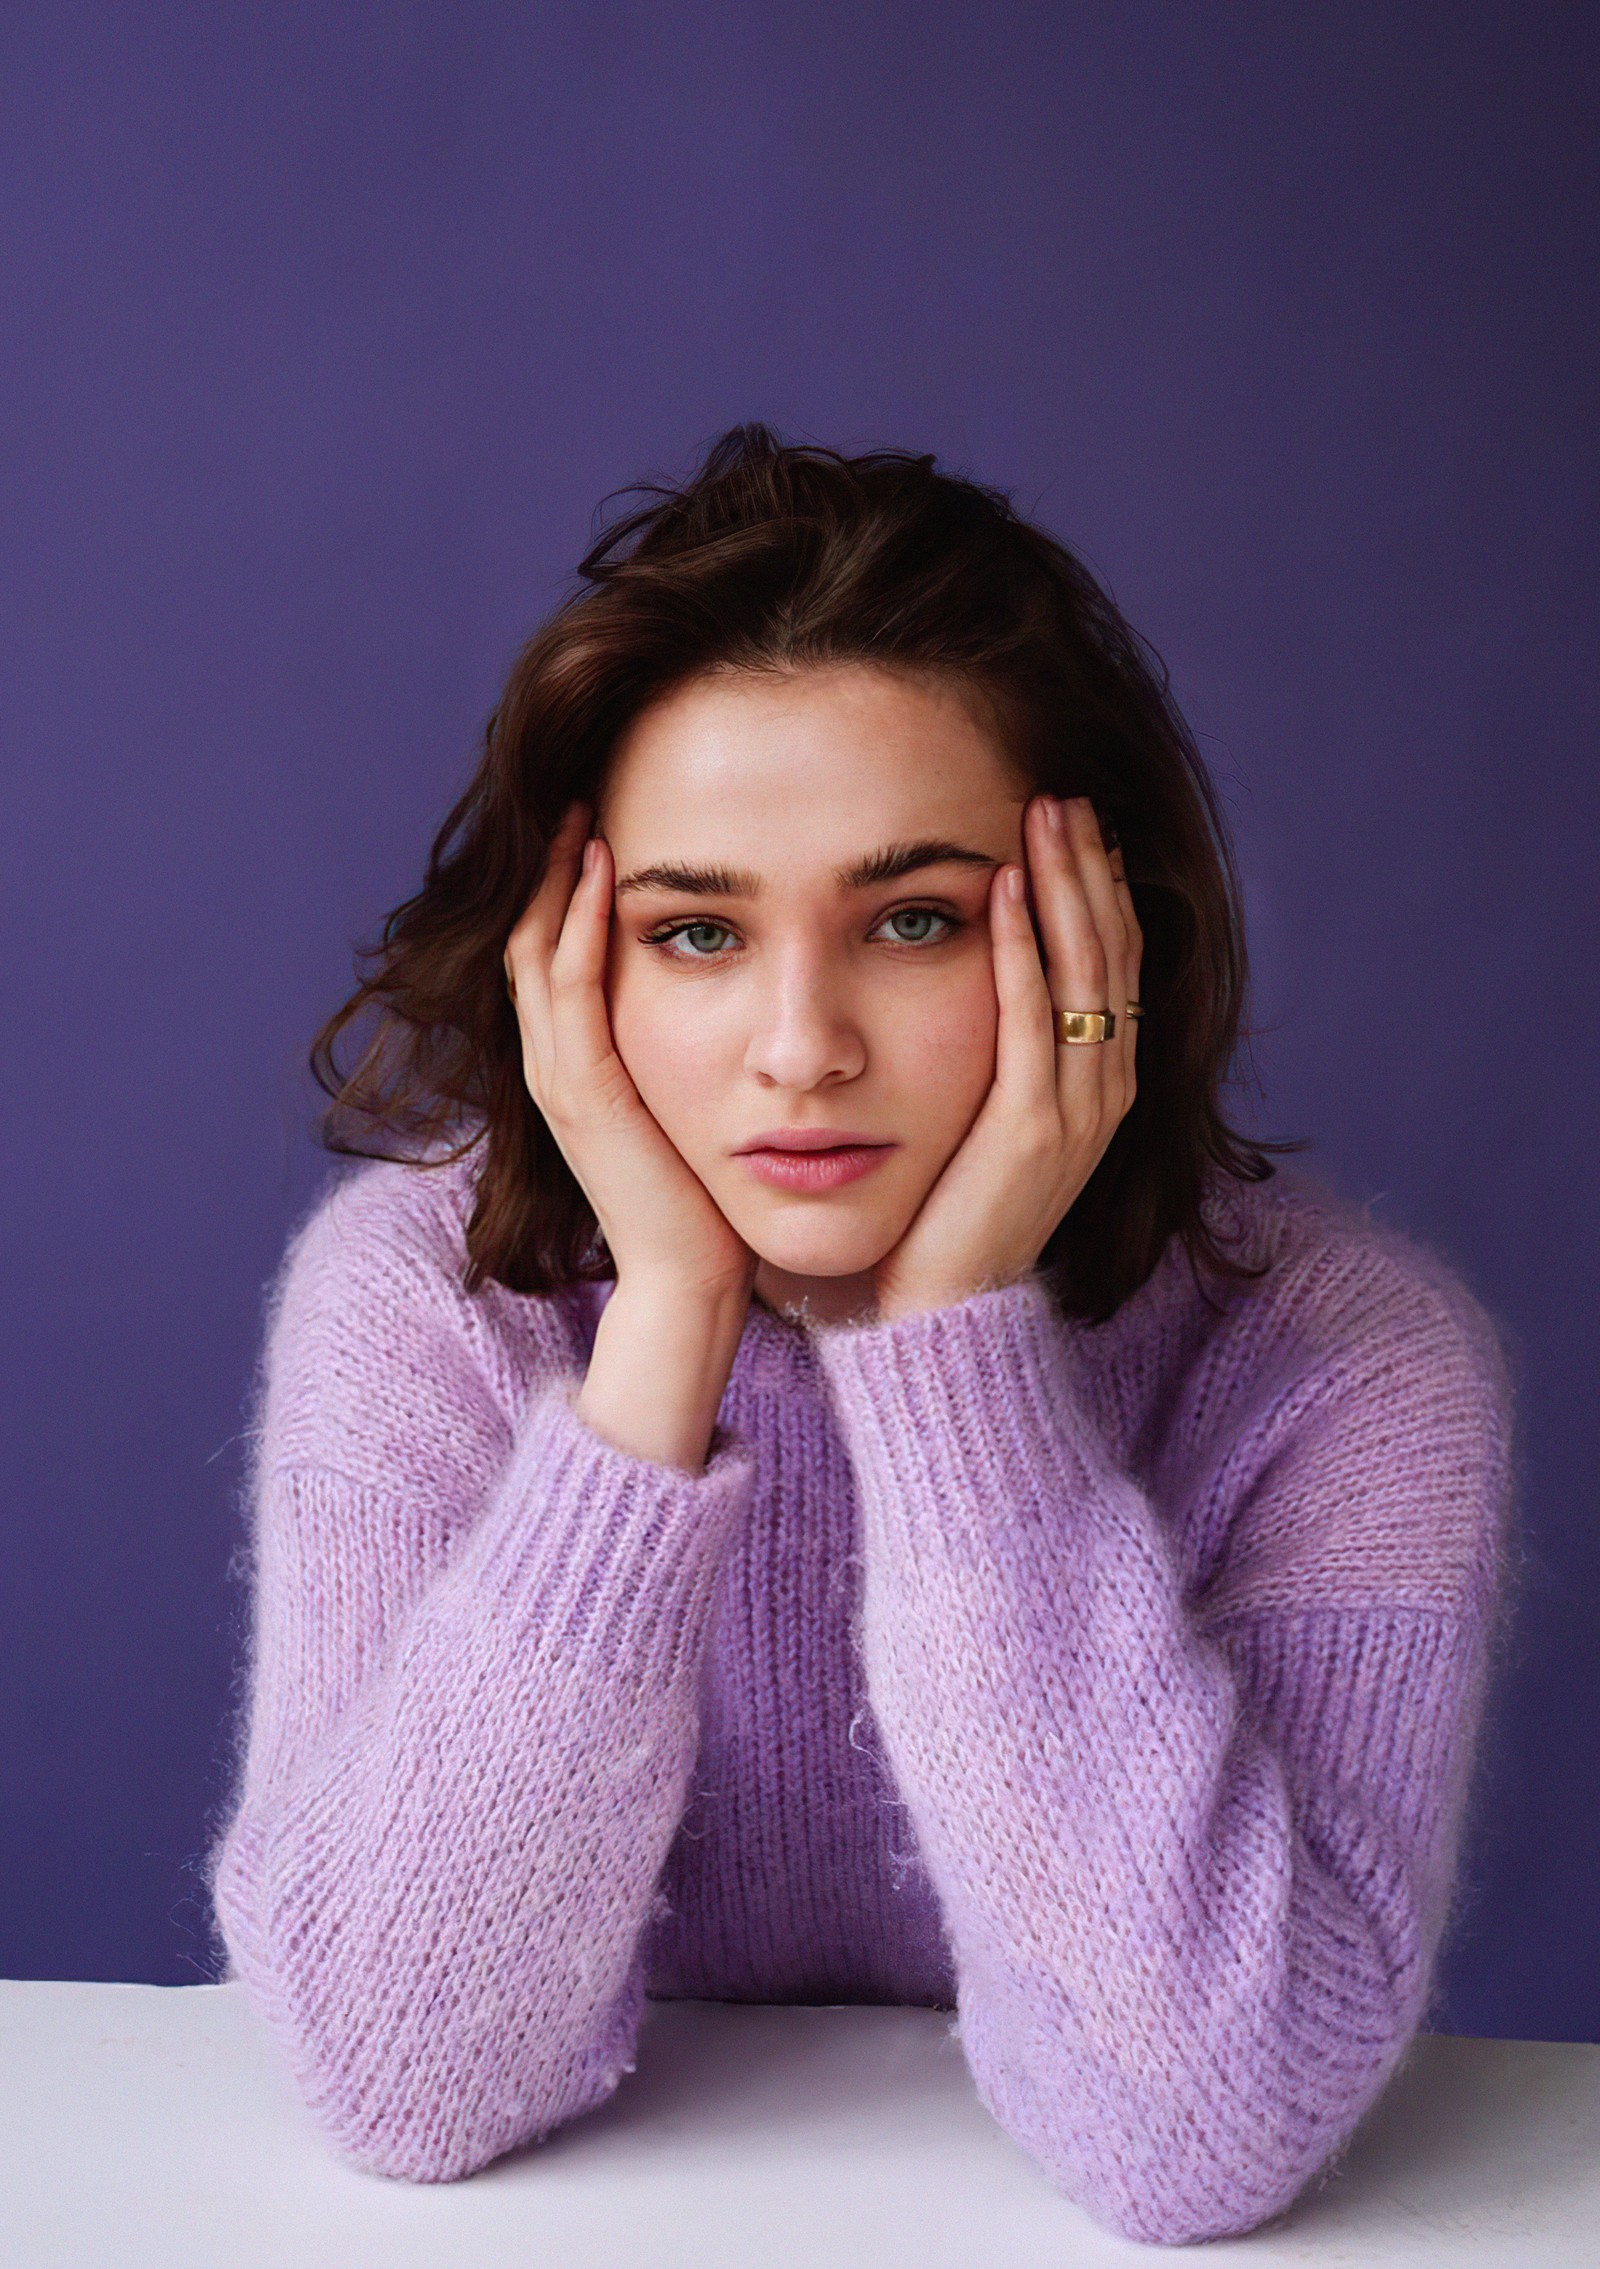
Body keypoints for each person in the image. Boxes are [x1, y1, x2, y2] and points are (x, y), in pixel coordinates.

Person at [206, 425, 1518, 2245]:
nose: (801, 1043)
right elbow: (397, 2073)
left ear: (1098, 939)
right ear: (563, 963)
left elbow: (1206, 2129)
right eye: (695, 933)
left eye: (912, 919)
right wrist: (663, 1328)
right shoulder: (422, 1301)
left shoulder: (1342, 1364)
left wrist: (952, 1356)